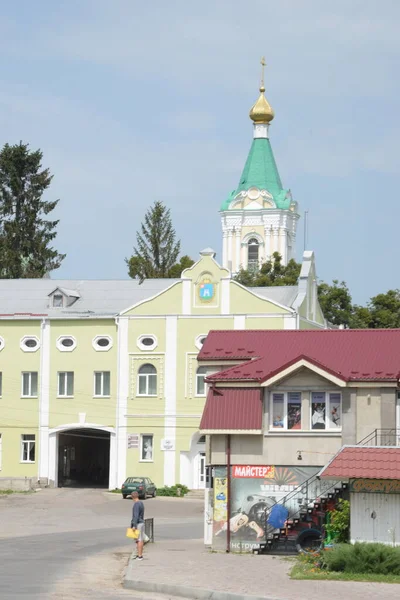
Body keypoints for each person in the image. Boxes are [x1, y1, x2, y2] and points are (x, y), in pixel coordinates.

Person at [130, 491, 145, 560]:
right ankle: (140, 554)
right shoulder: (141, 503)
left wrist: (134, 526)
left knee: (138, 540)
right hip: (141, 522)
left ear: (132, 497)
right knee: (141, 539)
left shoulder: (136, 504)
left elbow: (135, 516)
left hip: (138, 523)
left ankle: (139, 556)